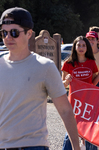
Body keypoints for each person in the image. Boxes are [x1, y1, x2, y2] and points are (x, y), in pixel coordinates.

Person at [0, 7, 80, 150]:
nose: (8, 37)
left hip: (33, 146)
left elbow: (65, 110)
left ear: (29, 33)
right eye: (4, 33)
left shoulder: (45, 66)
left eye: (14, 32)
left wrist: (76, 147)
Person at [61, 36, 99, 150]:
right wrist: (66, 80)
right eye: (79, 45)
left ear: (87, 48)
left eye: (83, 45)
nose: (81, 48)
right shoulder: (68, 63)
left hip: (88, 102)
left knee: (89, 131)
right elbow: (62, 86)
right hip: (74, 103)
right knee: (72, 131)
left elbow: (93, 84)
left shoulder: (91, 63)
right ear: (75, 47)